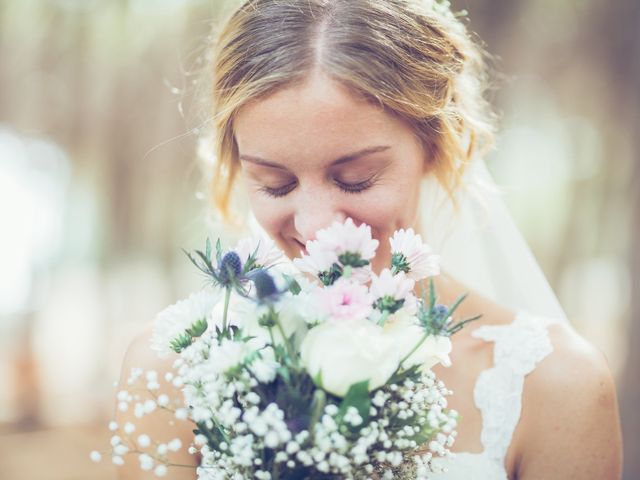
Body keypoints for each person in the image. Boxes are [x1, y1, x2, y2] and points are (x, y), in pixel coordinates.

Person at [115, 1, 623, 478]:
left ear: (436, 147)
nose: (315, 226)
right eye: (276, 184)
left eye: (355, 178)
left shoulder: (556, 387)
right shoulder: (174, 372)